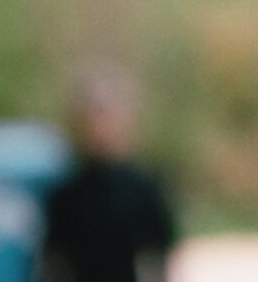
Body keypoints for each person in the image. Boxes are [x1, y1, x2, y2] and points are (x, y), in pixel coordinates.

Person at [41, 68, 177, 282]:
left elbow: (159, 258)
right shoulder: (66, 195)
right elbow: (54, 263)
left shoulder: (143, 189)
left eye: (106, 115)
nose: (99, 126)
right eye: (92, 116)